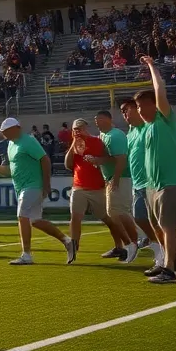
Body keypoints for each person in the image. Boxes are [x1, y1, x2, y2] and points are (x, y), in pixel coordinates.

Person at [0, 117, 73, 265]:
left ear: (15, 128)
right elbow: (9, 171)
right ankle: (67, 241)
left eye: (5, 131)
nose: (3, 134)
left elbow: (45, 159)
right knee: (35, 221)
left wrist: (46, 184)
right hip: (23, 187)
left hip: (33, 185)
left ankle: (26, 255)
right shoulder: (11, 145)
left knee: (22, 215)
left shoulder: (29, 141)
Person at [135, 56, 176, 283]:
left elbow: (160, 89)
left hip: (171, 182)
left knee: (167, 226)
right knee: (157, 226)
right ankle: (172, 262)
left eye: (141, 106)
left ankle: (169, 269)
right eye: (137, 107)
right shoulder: (146, 128)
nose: (139, 110)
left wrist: (150, 66)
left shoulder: (164, 119)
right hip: (153, 184)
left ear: (153, 105)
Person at [66, 118, 133, 262]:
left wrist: (96, 160)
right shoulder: (75, 145)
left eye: (80, 128)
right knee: (75, 218)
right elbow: (68, 164)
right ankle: (73, 248)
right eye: (75, 129)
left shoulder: (97, 141)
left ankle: (122, 245)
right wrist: (73, 143)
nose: (78, 132)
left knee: (109, 220)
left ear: (86, 128)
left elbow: (108, 157)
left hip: (97, 187)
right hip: (79, 186)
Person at [118, 98, 165, 267]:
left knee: (157, 222)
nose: (124, 114)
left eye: (127, 109)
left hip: (151, 183)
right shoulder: (130, 133)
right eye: (122, 112)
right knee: (139, 218)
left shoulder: (150, 127)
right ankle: (160, 249)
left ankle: (167, 256)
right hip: (137, 184)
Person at [91, 111, 140, 262]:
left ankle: (134, 242)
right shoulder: (103, 136)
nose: (97, 122)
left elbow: (121, 159)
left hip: (120, 178)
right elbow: (111, 158)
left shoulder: (115, 135)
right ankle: (131, 243)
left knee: (115, 212)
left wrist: (116, 179)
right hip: (112, 178)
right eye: (96, 120)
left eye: (100, 119)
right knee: (116, 212)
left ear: (109, 119)